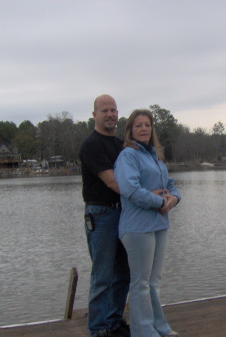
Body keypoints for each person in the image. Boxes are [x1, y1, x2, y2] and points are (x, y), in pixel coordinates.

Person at [114, 109, 181, 337]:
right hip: (137, 227)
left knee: (154, 282)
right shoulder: (128, 156)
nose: (144, 129)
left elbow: (170, 184)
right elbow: (130, 189)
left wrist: (173, 199)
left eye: (147, 125)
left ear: (152, 129)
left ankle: (160, 327)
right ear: (130, 131)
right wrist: (159, 202)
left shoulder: (155, 155)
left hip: (159, 223)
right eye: (138, 125)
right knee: (140, 283)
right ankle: (143, 332)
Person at [79, 94, 130, 337]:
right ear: (95, 115)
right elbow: (113, 182)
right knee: (103, 275)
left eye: (114, 110)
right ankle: (98, 329)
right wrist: (148, 196)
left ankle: (114, 322)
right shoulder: (92, 145)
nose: (110, 114)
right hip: (101, 215)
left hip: (124, 213)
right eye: (105, 110)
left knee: (124, 273)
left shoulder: (121, 144)